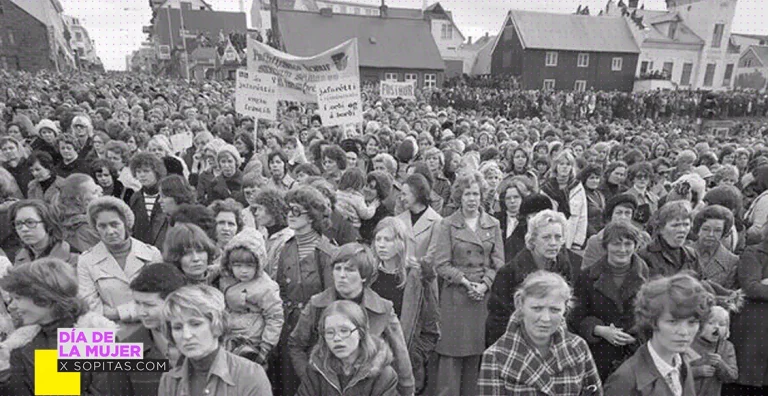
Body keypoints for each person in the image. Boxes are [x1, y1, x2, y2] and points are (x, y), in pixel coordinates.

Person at [288, 243, 415, 396]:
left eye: (349, 269)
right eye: (337, 268)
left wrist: (407, 389)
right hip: (326, 384)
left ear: (364, 276)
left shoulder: (382, 308)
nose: (341, 275)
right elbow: (296, 344)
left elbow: (400, 353)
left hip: (367, 386)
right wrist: (312, 375)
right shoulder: (317, 304)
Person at [429, 172, 503, 396]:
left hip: (481, 298)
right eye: (468, 194)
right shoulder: (448, 225)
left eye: (476, 194)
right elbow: (441, 264)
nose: (472, 198)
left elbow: (499, 262)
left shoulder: (493, 224)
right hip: (455, 298)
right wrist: (464, 282)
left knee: (476, 357)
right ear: (460, 196)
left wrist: (484, 285)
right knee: (451, 357)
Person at [0, 258, 115, 395]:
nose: (12, 306)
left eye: (18, 298)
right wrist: (5, 374)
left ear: (44, 298)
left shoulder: (94, 334)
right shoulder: (21, 343)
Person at [478, 270, 602, 395]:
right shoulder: (495, 356)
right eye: (537, 308)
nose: (545, 319)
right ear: (520, 304)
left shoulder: (579, 348)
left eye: (554, 310)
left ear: (565, 309)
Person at [273, 185, 337, 396]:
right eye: (289, 209)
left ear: (312, 216)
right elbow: (281, 288)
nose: (291, 215)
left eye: (297, 210)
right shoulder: (287, 247)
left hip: (315, 333)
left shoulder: (326, 252)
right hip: (289, 329)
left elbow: (332, 299)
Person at [604, 273, 714, 396]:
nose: (684, 332)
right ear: (652, 321)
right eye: (673, 322)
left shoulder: (681, 364)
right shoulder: (625, 380)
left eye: (692, 322)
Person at [486, 209, 580, 347]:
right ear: (533, 239)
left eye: (558, 237)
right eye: (546, 237)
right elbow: (498, 322)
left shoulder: (563, 266)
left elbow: (566, 311)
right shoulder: (509, 273)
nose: (553, 243)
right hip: (517, 345)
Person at [157, 284, 273, 395]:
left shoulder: (250, 375)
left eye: (196, 324)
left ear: (216, 324)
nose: (186, 335)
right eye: (177, 327)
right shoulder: (169, 381)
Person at [570, 220, 649, 380]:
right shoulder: (587, 277)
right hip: (597, 358)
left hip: (634, 358)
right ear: (606, 246)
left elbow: (652, 317)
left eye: (628, 244)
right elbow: (575, 318)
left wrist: (636, 337)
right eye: (616, 244)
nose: (622, 250)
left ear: (636, 246)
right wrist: (599, 330)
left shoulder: (646, 275)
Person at [372, 217, 440, 393]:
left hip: (405, 364)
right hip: (371, 363)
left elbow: (431, 327)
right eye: (378, 239)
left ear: (401, 242)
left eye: (387, 240)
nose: (381, 245)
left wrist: (414, 357)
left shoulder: (417, 278)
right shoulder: (369, 276)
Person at [78, 196, 163, 335]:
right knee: (49, 355)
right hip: (108, 332)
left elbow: (157, 300)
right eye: (102, 226)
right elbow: (89, 307)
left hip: (150, 330)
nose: (110, 231)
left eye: (114, 224)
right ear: (96, 228)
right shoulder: (86, 260)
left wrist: (116, 312)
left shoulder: (151, 254)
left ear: (125, 223)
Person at [108, 263, 187, 396]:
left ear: (175, 302)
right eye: (137, 304)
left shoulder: (204, 339)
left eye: (149, 305)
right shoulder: (125, 349)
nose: (141, 312)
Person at [297, 300, 398, 396]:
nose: (336, 338)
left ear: (361, 332)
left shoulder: (384, 375)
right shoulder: (317, 370)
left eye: (344, 331)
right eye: (330, 332)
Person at [220, 228, 284, 364]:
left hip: (252, 342)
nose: (243, 271)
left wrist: (266, 347)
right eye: (237, 265)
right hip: (227, 338)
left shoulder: (266, 287)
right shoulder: (227, 279)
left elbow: (275, 317)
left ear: (259, 264)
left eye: (249, 265)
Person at [728, 224, 768, 394]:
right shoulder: (754, 253)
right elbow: (751, 287)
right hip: (754, 334)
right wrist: (760, 286)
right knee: (746, 384)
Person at [639, 200, 702, 278]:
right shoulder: (645, 255)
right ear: (661, 228)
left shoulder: (692, 256)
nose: (682, 230)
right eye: (675, 225)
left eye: (686, 224)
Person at [540, 150, 588, 251]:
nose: (565, 167)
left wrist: (577, 242)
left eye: (568, 164)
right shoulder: (546, 188)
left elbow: (582, 216)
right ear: (556, 166)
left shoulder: (577, 187)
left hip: (571, 237)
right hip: (551, 237)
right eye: (561, 164)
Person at [582, 193, 643, 269]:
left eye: (627, 213)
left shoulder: (642, 238)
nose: (623, 217)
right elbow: (587, 272)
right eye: (619, 213)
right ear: (611, 216)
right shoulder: (596, 241)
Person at [10, 200, 78, 266]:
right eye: (18, 224)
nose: (24, 229)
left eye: (30, 222)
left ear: (48, 223)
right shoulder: (21, 257)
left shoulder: (72, 257)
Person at [689, 305, 738, 396]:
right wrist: (698, 371)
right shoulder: (689, 343)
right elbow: (676, 371)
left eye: (722, 324)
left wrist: (720, 364)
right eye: (711, 323)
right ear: (701, 325)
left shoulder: (727, 347)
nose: (716, 328)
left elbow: (732, 377)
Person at [246, 188, 293, 279]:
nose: (256, 213)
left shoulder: (286, 239)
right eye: (255, 210)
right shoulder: (264, 232)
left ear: (272, 210)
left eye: (260, 209)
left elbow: (277, 276)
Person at [128, 152, 169, 247]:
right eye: (138, 171)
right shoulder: (135, 197)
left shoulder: (168, 195)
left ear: (156, 172)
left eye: (146, 171)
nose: (142, 175)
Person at [57, 174, 104, 253]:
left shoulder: (63, 220)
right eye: (94, 192)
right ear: (79, 199)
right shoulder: (85, 227)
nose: (100, 194)